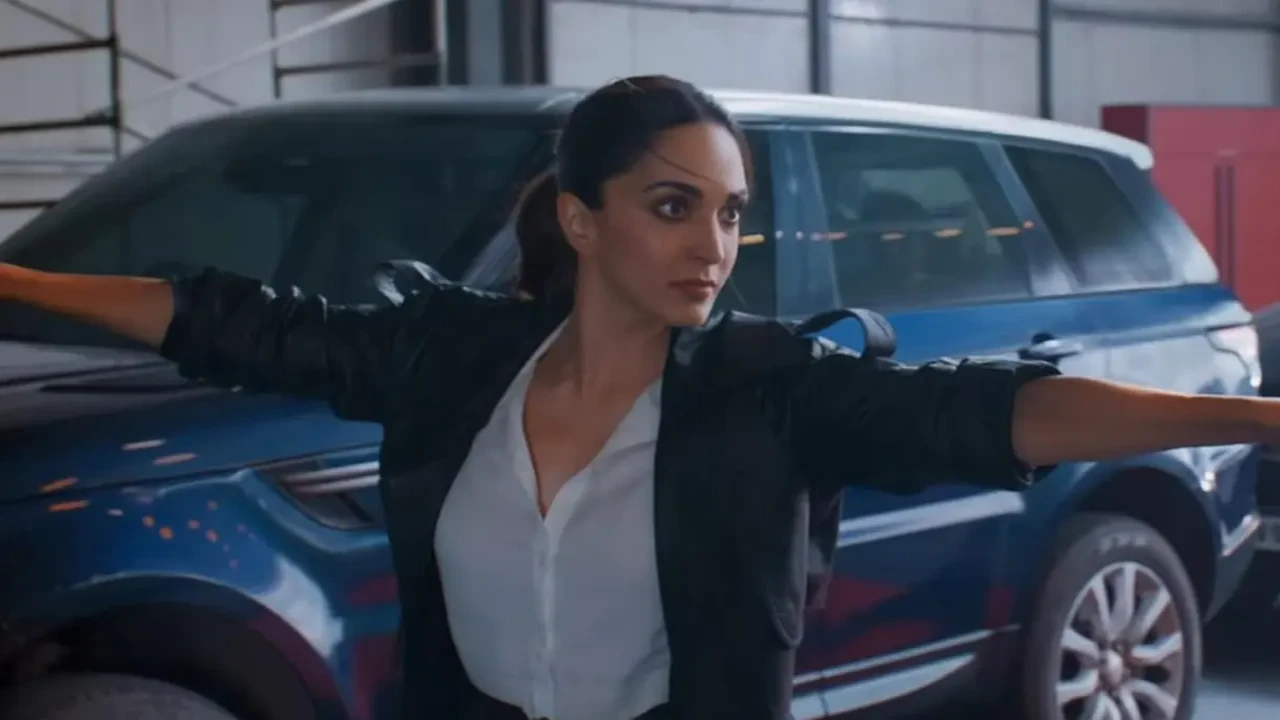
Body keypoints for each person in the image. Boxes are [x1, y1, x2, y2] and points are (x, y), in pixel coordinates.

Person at [0, 74, 1275, 720]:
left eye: (727, 214)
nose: (712, 246)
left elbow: (1002, 413)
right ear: (580, 218)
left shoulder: (767, 390)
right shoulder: (449, 357)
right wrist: (14, 280)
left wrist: (1258, 418)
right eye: (673, 207)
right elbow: (227, 322)